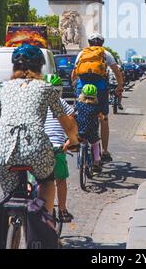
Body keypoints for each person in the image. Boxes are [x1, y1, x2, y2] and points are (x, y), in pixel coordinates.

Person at [0, 44, 79, 215]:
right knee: (46, 181)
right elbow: (66, 123)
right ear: (40, 67)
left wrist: (4, 140)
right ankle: (44, 223)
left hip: (3, 152)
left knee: (11, 193)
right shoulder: (46, 88)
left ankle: (11, 226)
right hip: (36, 149)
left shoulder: (4, 88)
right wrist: (73, 141)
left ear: (14, 67)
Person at [71, 32, 124, 163]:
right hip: (99, 89)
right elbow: (117, 73)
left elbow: (74, 74)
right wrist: (119, 87)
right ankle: (104, 151)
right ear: (102, 43)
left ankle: (80, 141)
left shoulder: (82, 53)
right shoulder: (105, 54)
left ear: (89, 43)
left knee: (79, 113)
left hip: (82, 87)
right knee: (103, 118)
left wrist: (75, 86)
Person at [44, 74, 75, 223]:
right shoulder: (62, 103)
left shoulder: (37, 103)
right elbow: (72, 123)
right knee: (60, 180)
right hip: (57, 147)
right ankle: (62, 210)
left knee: (34, 179)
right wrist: (71, 141)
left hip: (39, 148)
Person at [74, 84, 101, 173]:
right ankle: (96, 162)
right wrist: (103, 118)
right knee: (95, 144)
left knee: (82, 141)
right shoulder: (96, 107)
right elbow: (101, 116)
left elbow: (74, 112)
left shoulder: (79, 104)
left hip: (80, 131)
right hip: (92, 132)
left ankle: (81, 160)